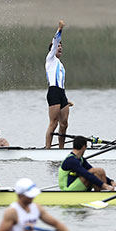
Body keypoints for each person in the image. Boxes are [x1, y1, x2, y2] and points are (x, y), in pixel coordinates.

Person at [0, 178, 82, 231]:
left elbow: (56, 223)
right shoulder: (12, 212)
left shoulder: (36, 207)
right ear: (20, 195)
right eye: (29, 195)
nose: (32, 197)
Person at [44, 20, 72, 149]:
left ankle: (61, 149)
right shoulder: (50, 59)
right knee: (53, 123)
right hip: (53, 92)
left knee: (64, 124)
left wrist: (66, 101)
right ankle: (48, 149)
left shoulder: (61, 65)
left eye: (61, 46)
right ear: (52, 50)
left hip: (62, 93)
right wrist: (60, 28)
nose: (60, 47)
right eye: (58, 46)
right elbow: (55, 41)